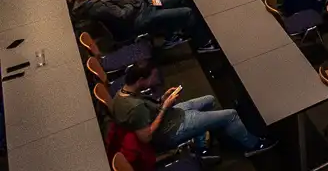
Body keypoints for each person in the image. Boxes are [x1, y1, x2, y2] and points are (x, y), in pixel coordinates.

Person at [110, 64, 274, 155]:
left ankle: (206, 141)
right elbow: (146, 137)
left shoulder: (122, 93)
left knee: (209, 100)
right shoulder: (135, 108)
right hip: (171, 130)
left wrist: (161, 100)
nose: (156, 81)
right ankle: (253, 146)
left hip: (171, 115)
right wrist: (164, 108)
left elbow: (147, 111)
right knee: (231, 115)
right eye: (152, 78)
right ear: (140, 80)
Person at [72, 0, 208, 49]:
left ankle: (171, 33)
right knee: (187, 12)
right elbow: (123, 15)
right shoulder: (97, 6)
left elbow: (118, 1)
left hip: (144, 6)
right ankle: (202, 43)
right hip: (139, 19)